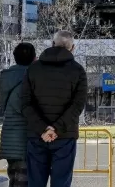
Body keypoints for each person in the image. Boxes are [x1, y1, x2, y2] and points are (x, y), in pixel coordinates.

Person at [21, 31, 88, 187]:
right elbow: (78, 105)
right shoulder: (78, 71)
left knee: (35, 183)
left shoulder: (33, 69)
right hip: (65, 136)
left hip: (37, 136)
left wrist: (44, 129)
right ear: (73, 48)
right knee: (61, 183)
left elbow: (25, 104)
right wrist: (56, 129)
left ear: (52, 44)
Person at [0, 42, 37, 187]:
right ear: (34, 58)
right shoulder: (29, 79)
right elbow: (27, 109)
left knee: (14, 179)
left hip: (9, 137)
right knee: (22, 181)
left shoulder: (7, 77)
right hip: (23, 140)